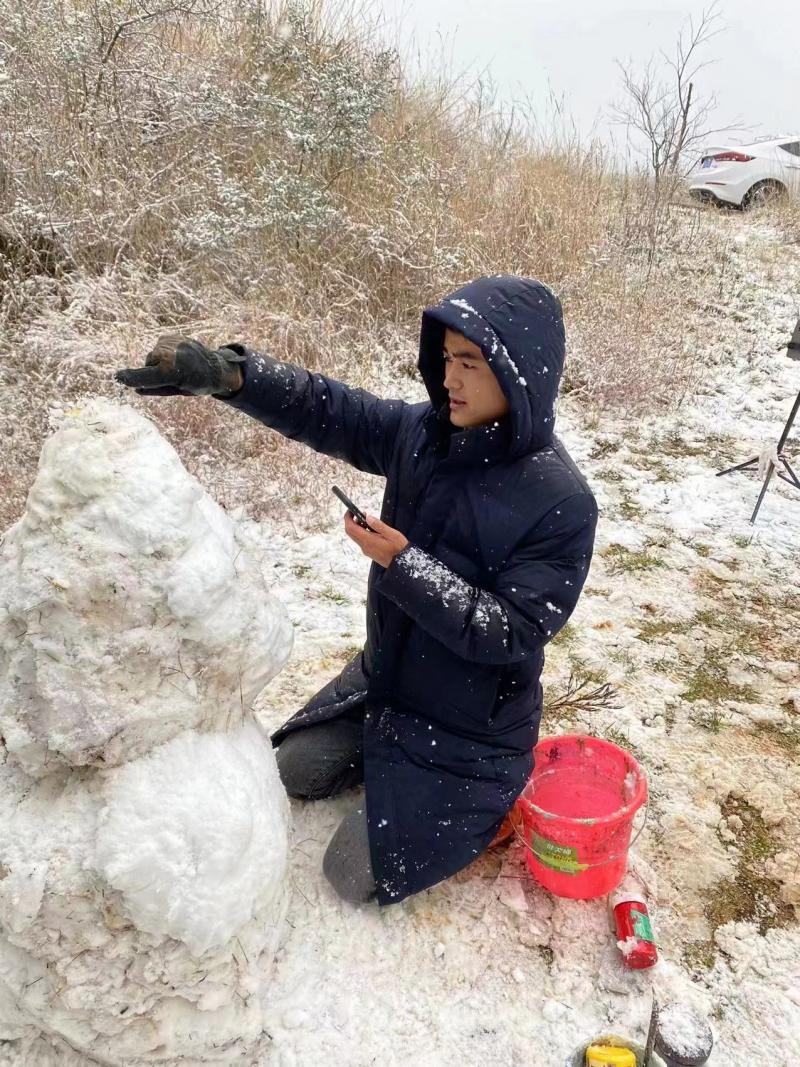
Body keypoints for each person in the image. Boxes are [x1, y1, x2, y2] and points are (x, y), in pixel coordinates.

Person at [116, 274, 598, 907]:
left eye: (470, 363)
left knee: (349, 875)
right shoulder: (423, 434)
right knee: (286, 772)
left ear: (518, 375)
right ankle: (384, 765)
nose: (450, 379)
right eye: (447, 359)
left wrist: (404, 565)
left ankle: (487, 809)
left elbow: (508, 632)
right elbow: (330, 409)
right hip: (386, 681)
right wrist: (233, 377)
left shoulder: (560, 501)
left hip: (469, 733)